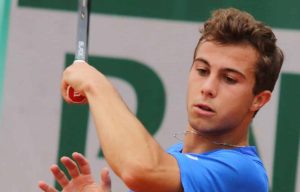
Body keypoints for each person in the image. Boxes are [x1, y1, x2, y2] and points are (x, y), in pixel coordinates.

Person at [39, 7, 284, 192]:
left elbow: (139, 169)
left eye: (229, 79)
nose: (208, 88)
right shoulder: (174, 159)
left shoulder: (242, 173)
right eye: (202, 70)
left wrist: (95, 84)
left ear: (258, 100)